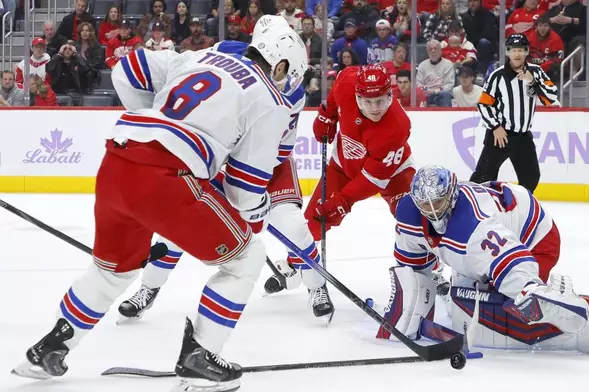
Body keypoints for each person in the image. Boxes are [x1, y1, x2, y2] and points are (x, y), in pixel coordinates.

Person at [11, 15, 308, 392]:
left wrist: (157, 119)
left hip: (118, 160)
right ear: (279, 64)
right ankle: (200, 359)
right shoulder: (270, 99)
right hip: (165, 177)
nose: (286, 83)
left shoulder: (202, 56)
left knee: (111, 272)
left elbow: (128, 69)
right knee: (246, 258)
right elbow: (245, 191)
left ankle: (49, 349)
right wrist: (256, 212)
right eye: (288, 74)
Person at [118, 31, 334, 326]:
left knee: (293, 226)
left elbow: (280, 148)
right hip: (220, 157)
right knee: (176, 227)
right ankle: (148, 288)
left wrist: (249, 194)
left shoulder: (292, 92)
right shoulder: (227, 50)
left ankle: (317, 286)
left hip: (266, 163)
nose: (289, 80)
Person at [381, 165, 589, 356]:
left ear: (452, 193)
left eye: (438, 201)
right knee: (463, 317)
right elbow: (412, 267)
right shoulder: (408, 215)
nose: (433, 210)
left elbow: (512, 262)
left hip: (533, 237)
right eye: (425, 204)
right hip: (494, 231)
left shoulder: (474, 226)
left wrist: (528, 291)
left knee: (494, 322)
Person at [306, 63, 414, 244]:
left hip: (394, 171)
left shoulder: (397, 128)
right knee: (313, 219)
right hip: (343, 164)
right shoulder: (346, 82)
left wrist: (344, 200)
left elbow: (373, 178)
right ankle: (296, 267)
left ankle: (430, 267)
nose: (374, 108)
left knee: (411, 217)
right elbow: (334, 97)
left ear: (390, 95)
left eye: (380, 100)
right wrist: (327, 115)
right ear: (357, 97)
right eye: (367, 101)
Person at [470, 33, 559, 194]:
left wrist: (532, 80)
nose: (517, 54)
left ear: (526, 51)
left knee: (531, 177)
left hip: (523, 136)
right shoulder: (497, 76)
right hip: (500, 135)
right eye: (513, 50)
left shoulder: (536, 72)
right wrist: (495, 127)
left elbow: (551, 96)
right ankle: (474, 208)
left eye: (520, 50)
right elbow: (484, 104)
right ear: (508, 52)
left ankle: (517, 208)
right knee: (482, 178)